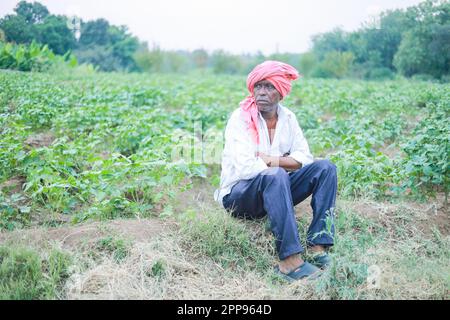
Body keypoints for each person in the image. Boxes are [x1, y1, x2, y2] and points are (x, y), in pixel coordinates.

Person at [214, 60, 338, 281]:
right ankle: (289, 262)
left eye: (269, 87)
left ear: (280, 92)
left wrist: (270, 160)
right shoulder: (240, 118)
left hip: (275, 191)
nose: (261, 92)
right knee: (276, 174)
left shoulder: (288, 118)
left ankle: (318, 246)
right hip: (239, 198)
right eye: (258, 86)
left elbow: (304, 157)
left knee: (326, 168)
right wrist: (282, 164)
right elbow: (245, 169)